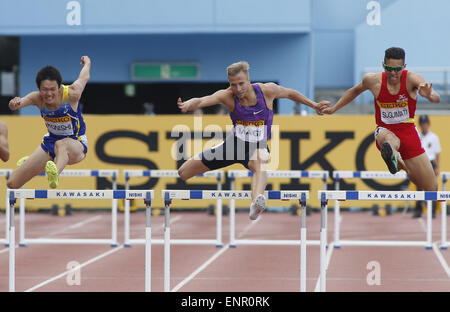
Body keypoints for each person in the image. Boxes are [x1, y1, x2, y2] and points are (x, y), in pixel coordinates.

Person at [177, 61, 329, 220]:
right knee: (183, 172)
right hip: (233, 145)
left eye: (241, 84)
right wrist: (189, 104)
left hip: (257, 146)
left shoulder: (267, 91)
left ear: (249, 80)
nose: (238, 89)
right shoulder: (227, 96)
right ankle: (256, 200)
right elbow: (202, 100)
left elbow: (290, 93)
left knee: (260, 160)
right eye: (233, 85)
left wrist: (314, 105)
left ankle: (256, 203)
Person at [321, 47, 440, 192]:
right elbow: (354, 91)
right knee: (390, 141)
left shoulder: (413, 79)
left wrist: (428, 95)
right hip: (385, 130)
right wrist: (334, 109)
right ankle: (393, 155)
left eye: (397, 69)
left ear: (404, 67)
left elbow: (435, 97)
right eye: (389, 68)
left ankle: (400, 164)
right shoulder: (373, 81)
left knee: (431, 188)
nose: (393, 73)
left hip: (408, 132)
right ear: (383, 65)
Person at [7, 56, 91, 189]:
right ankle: (39, 166)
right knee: (12, 182)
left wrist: (87, 64)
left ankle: (54, 174)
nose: (49, 94)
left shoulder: (72, 93)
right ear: (39, 89)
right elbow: (19, 103)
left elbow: (84, 78)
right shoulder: (37, 98)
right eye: (44, 89)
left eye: (53, 89)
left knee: (61, 144)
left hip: (75, 145)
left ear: (59, 87)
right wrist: (14, 104)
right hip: (50, 143)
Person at [412, 115, 441, 218]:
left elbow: (437, 153)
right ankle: (418, 210)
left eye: (426, 123)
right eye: (422, 123)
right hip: (420, 163)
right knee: (419, 187)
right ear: (420, 125)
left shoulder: (434, 137)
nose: (424, 125)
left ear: (428, 124)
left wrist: (437, 167)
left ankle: (432, 211)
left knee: (432, 187)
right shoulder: (417, 136)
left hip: (431, 163)